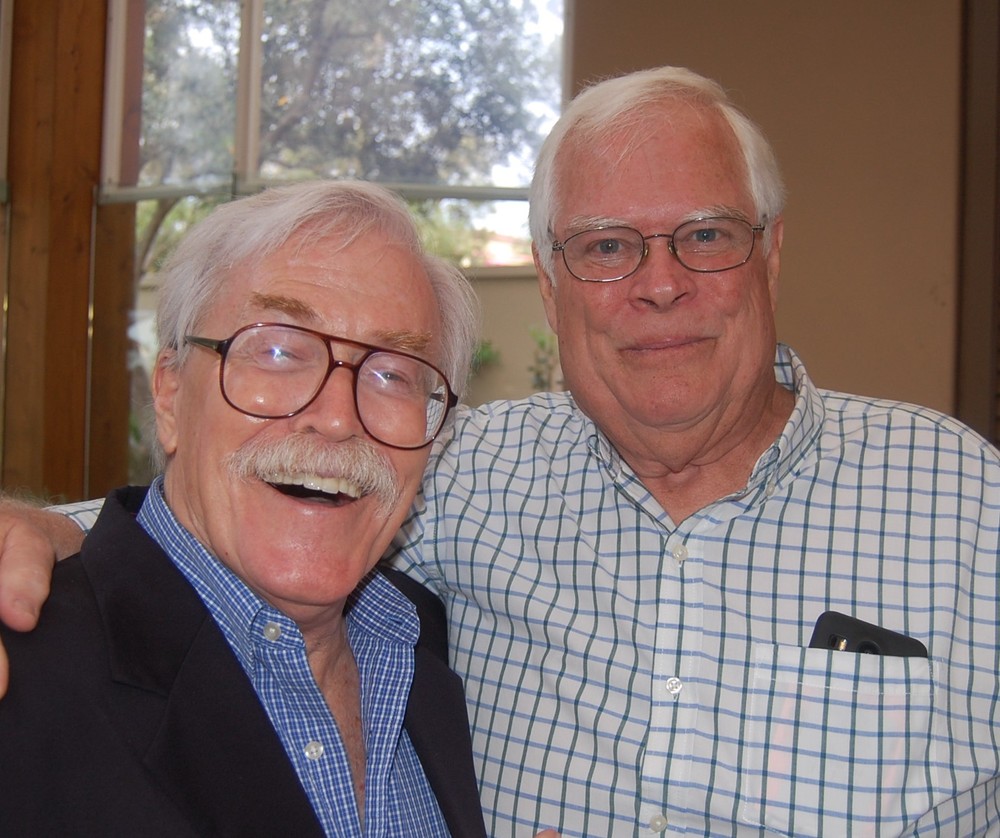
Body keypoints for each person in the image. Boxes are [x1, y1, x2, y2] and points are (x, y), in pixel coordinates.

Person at [1, 65, 999, 836]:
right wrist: (38, 533)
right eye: (605, 246)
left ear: (770, 254)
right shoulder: (464, 469)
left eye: (704, 236)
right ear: (550, 285)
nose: (659, 284)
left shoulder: (967, 500)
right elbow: (231, 511)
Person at [0, 180, 491, 837]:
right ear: (170, 394)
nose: (337, 418)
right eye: (279, 350)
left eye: (392, 374)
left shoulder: (422, 645)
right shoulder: (22, 678)